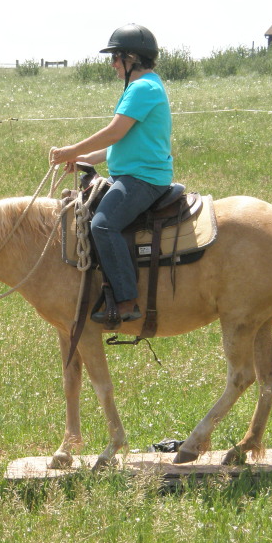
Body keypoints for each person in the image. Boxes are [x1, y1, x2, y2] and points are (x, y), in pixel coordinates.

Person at [49, 23, 173, 323]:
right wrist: (81, 158)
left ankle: (127, 300)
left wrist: (70, 150)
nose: (113, 64)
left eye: (116, 57)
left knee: (103, 226)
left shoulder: (142, 88)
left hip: (143, 179)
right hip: (131, 174)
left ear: (132, 58)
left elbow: (114, 132)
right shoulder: (144, 87)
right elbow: (116, 147)